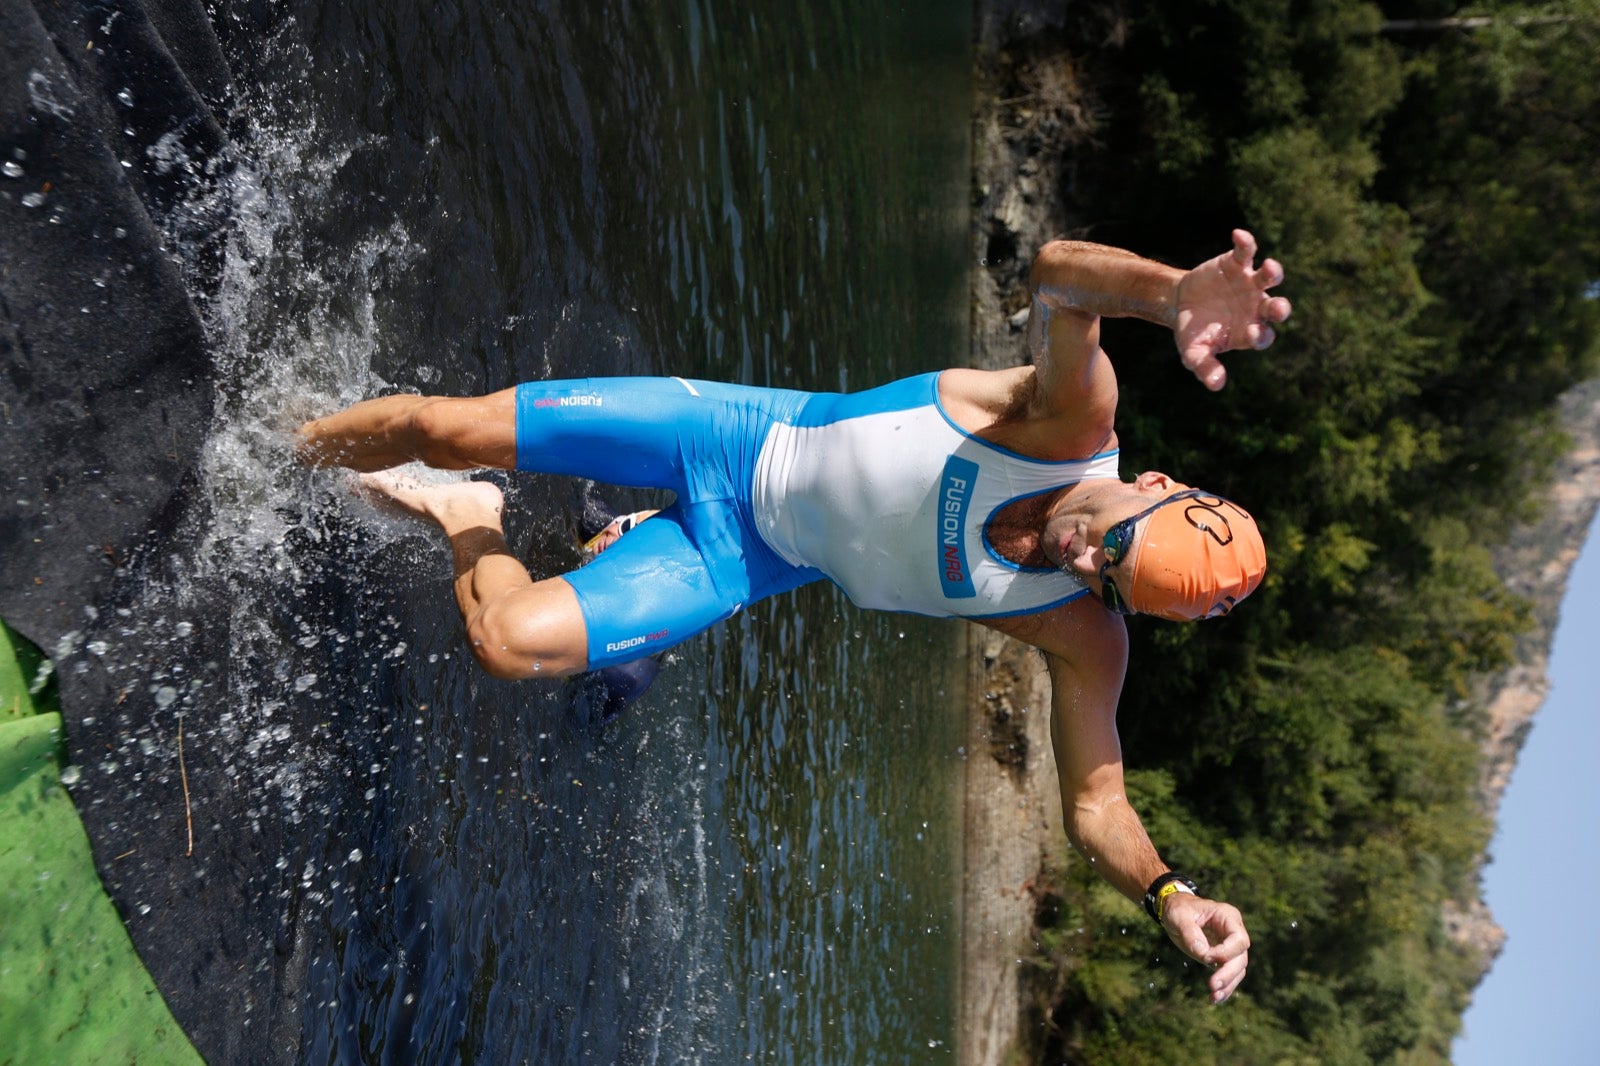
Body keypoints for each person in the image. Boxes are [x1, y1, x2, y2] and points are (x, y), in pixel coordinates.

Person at [298, 229, 1291, 1004]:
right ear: (1151, 482)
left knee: (506, 643)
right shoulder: (1068, 421)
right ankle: (281, 441)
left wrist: (1171, 893)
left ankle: (468, 514)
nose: (1086, 561)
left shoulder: (1080, 630)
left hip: (741, 557)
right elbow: (1058, 277)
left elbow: (1096, 807)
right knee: (446, 424)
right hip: (730, 439)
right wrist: (1169, 296)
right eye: (1110, 543)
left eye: (1111, 583)